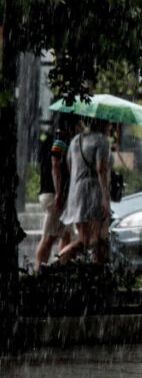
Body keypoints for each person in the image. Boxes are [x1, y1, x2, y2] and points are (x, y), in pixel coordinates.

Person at [58, 118, 111, 264]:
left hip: (76, 193)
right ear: (103, 124)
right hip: (93, 194)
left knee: (87, 239)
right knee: (94, 240)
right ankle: (56, 265)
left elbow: (70, 166)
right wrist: (105, 198)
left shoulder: (76, 140)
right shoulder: (102, 141)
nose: (110, 126)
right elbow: (101, 169)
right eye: (109, 123)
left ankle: (59, 264)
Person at [34, 114, 75, 270]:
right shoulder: (60, 139)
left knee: (66, 235)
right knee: (49, 238)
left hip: (53, 193)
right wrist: (59, 192)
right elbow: (55, 165)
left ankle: (61, 269)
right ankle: (39, 271)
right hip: (55, 195)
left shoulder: (49, 139)